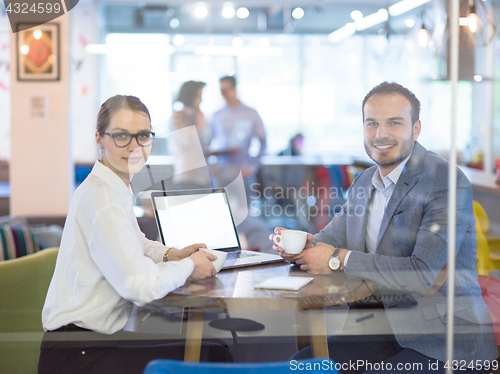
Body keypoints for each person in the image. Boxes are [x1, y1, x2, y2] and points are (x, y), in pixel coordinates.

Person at [271, 82, 498, 373]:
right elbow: (330, 238)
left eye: (394, 123)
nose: (381, 134)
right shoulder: (365, 182)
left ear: (416, 129)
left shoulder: (444, 181)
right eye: (372, 123)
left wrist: (337, 258)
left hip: (445, 341)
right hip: (380, 329)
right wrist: (301, 244)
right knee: (300, 367)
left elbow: (422, 275)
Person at [39, 95, 231, 374]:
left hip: (90, 342)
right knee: (212, 353)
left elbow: (134, 241)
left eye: (142, 135)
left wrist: (170, 254)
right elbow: (139, 285)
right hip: (78, 356)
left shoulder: (112, 186)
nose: (134, 146)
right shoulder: (102, 198)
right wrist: (189, 265)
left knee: (210, 347)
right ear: (99, 138)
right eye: (121, 136)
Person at [210, 75, 267, 201]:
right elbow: (208, 143)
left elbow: (263, 143)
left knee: (244, 214)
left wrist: (253, 167)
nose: (224, 94)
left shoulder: (251, 113)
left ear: (234, 89)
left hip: (243, 173)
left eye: (226, 90)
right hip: (222, 173)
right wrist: (211, 166)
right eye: (221, 91)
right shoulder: (217, 115)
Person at [170, 80, 212, 189]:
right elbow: (188, 141)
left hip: (203, 176)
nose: (201, 100)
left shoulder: (200, 116)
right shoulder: (178, 116)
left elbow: (207, 140)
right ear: (191, 96)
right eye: (199, 96)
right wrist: (198, 123)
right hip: (186, 175)